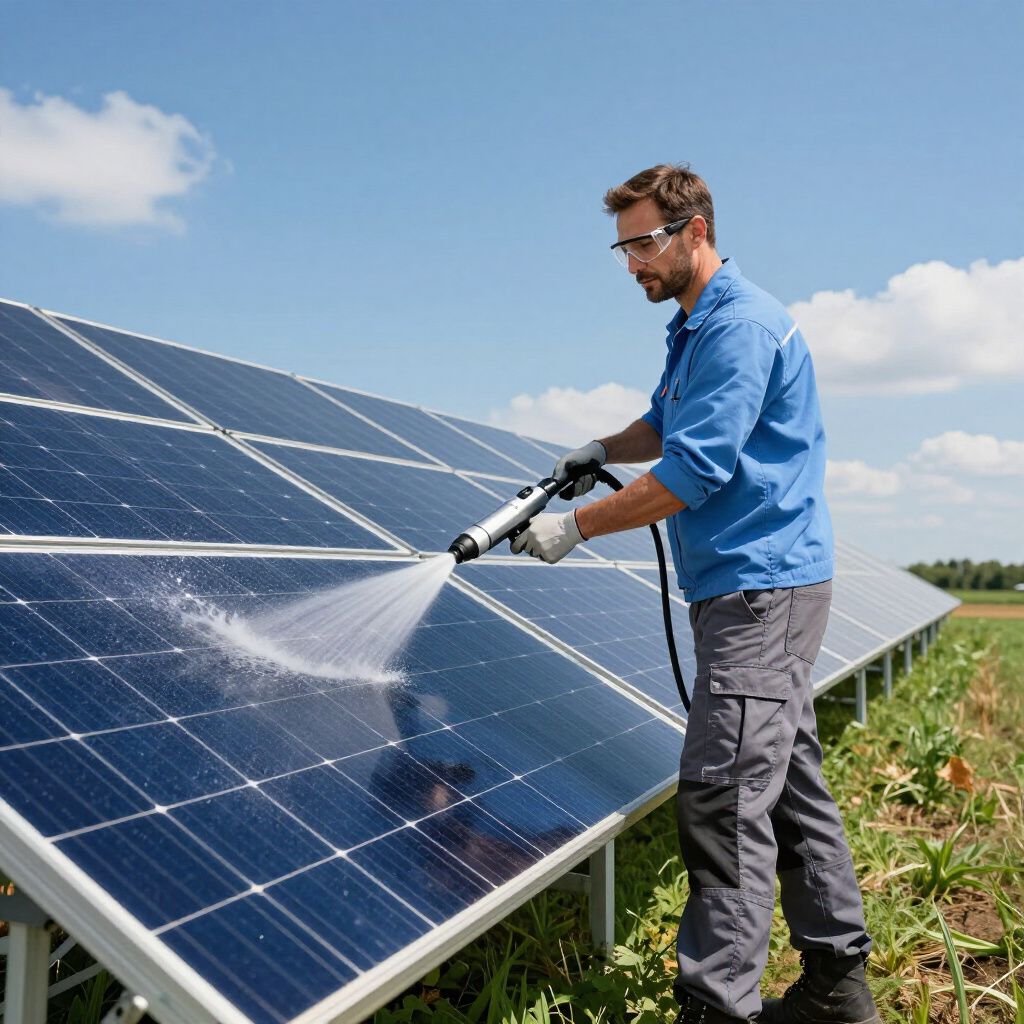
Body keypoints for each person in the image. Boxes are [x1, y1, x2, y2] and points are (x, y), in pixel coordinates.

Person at [510, 164, 878, 1024]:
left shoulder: (739, 326)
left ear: (695, 232)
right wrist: (602, 448)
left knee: (723, 797)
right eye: (623, 249)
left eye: (644, 244)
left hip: (761, 591)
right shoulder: (696, 326)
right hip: (754, 587)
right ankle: (836, 990)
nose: (633, 264)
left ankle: (717, 1006)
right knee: (788, 785)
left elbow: (696, 469)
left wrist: (577, 527)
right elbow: (666, 424)